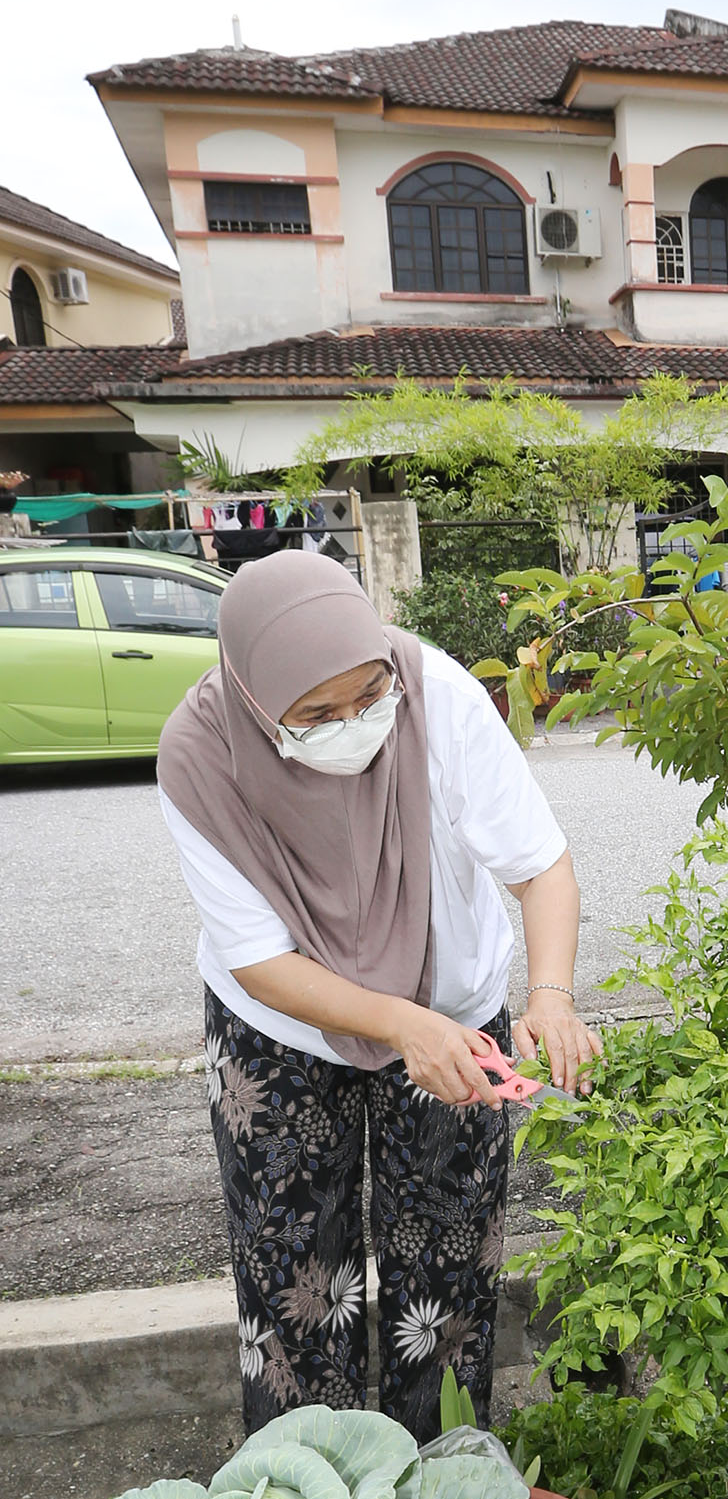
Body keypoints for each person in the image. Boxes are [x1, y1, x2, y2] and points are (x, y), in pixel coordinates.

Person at [157, 552, 602, 1441]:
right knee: (294, 1283)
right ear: (253, 698)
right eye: (317, 715)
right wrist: (398, 1024)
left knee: (443, 1276)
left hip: (452, 1006)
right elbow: (256, 959)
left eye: (369, 696)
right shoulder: (200, 757)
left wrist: (549, 996)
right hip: (278, 1030)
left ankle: (443, 1497)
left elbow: (542, 867)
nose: (354, 724)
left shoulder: (437, 697)